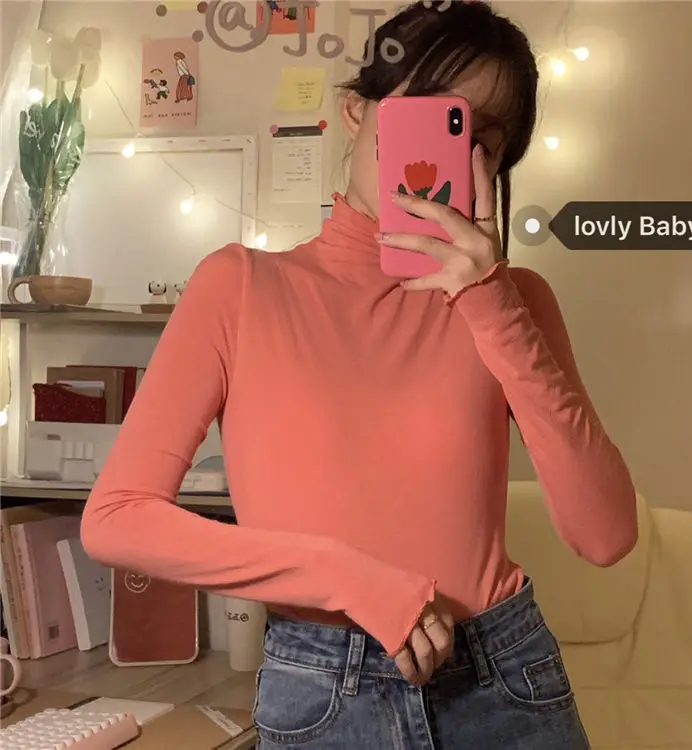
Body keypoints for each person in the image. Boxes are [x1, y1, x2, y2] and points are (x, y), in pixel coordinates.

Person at [81, 2, 638, 747]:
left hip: (502, 679)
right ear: (356, 111)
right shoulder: (240, 287)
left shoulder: (515, 303)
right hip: (323, 689)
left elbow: (606, 535)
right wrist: (346, 577)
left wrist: (488, 300)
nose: (451, 149)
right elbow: (117, 518)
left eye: (481, 135)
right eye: (429, 116)